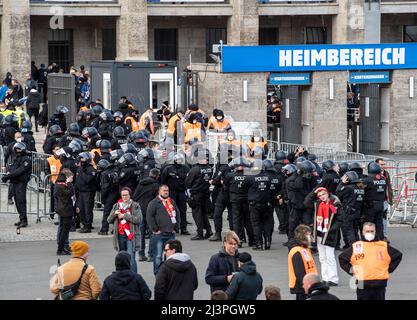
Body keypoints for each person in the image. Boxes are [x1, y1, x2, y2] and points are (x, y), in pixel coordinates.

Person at [339, 222, 402, 300]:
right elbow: (342, 258)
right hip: (361, 283)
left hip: (379, 282)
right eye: (367, 231)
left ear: (375, 232)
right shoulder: (356, 246)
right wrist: (352, 271)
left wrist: (388, 269)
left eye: (372, 231)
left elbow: (398, 256)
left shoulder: (383, 245)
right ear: (362, 232)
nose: (370, 233)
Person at [304, 187, 342, 286]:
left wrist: (331, 229)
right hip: (319, 233)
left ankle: (333, 279)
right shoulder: (317, 204)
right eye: (319, 195)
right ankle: (325, 278)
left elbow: (340, 219)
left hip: (329, 234)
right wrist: (313, 192)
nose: (322, 197)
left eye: (323, 194)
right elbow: (306, 202)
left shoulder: (335, 204)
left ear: (327, 193)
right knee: (322, 257)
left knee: (330, 257)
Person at [146, 185, 180, 275]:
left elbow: (177, 213)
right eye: (164, 190)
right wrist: (155, 229)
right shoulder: (154, 203)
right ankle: (158, 274)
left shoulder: (171, 201)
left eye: (167, 190)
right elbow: (149, 217)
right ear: (159, 191)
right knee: (158, 256)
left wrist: (176, 227)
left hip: (170, 233)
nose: (166, 192)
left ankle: (169, 274)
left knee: (171, 256)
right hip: (159, 235)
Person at [108, 187, 142, 274]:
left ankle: (134, 277)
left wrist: (125, 216)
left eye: (126, 195)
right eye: (123, 195)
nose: (124, 197)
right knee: (121, 258)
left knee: (131, 257)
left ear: (130, 195)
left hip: (131, 236)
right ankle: (122, 276)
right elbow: (109, 220)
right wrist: (114, 214)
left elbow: (138, 220)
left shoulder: (135, 206)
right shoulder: (116, 206)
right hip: (120, 235)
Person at [185, 149, 214, 240]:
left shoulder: (194, 170)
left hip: (196, 194)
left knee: (197, 214)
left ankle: (200, 233)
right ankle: (209, 231)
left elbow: (188, 183)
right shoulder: (209, 168)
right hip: (206, 193)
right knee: (204, 213)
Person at [2, 142, 32, 228]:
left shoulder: (26, 159)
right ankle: (21, 218)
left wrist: (8, 176)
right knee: (17, 201)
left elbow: (20, 170)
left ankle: (24, 220)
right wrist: (8, 171)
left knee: (21, 201)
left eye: (18, 150)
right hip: (15, 182)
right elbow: (13, 168)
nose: (17, 151)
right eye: (16, 150)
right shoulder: (17, 158)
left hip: (21, 183)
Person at [133, 168, 160, 262]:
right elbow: (157, 199)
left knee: (140, 234)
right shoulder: (156, 185)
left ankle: (141, 254)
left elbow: (134, 196)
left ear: (149, 174)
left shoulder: (141, 183)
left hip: (140, 210)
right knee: (152, 233)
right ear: (157, 176)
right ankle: (151, 255)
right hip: (150, 211)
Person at [161, 153, 190, 235]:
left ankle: (183, 228)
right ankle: (172, 227)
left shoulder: (186, 168)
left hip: (181, 192)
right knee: (171, 210)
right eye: (178, 160)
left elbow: (188, 178)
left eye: (181, 160)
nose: (179, 161)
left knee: (183, 210)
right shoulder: (168, 168)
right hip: (171, 192)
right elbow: (163, 180)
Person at [288, 224, 317, 300]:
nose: (310, 237)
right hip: (302, 286)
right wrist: (306, 285)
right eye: (308, 235)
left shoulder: (305, 249)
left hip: (308, 283)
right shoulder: (297, 252)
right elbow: (299, 272)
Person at [363, 162, 387, 241]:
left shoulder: (367, 180)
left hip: (371, 206)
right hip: (380, 204)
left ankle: (370, 241)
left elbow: (359, 186)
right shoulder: (383, 180)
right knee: (379, 224)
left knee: (369, 224)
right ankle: (381, 239)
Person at [75, 152, 97, 233]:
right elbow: (77, 180)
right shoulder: (80, 169)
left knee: (87, 210)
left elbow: (87, 179)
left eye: (83, 159)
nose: (81, 160)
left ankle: (88, 226)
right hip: (80, 192)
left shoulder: (91, 170)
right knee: (81, 209)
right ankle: (84, 224)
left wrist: (82, 171)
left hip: (88, 192)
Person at [54, 169, 75, 255]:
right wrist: (69, 183)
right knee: (64, 230)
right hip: (65, 210)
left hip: (63, 209)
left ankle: (62, 247)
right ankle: (60, 248)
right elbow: (70, 193)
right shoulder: (61, 185)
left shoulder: (59, 184)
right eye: (71, 177)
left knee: (63, 229)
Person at [375, 158, 394, 242]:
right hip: (375, 201)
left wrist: (390, 198)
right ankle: (374, 236)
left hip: (384, 200)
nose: (383, 166)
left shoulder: (386, 174)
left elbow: (389, 187)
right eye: (381, 164)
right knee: (375, 219)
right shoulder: (373, 174)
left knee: (384, 219)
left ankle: (384, 236)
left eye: (384, 164)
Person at [46, 146, 62, 220]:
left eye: (59, 150)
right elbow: (46, 170)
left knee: (61, 199)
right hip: (53, 182)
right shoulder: (49, 160)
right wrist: (49, 178)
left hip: (61, 182)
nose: (58, 151)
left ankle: (60, 214)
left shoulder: (62, 159)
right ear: (53, 151)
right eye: (56, 150)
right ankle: (52, 213)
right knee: (53, 198)